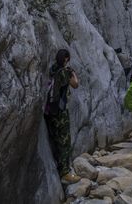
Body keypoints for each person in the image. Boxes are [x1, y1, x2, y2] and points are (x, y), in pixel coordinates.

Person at [44, 49, 80, 183]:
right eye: (67, 59)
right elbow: (75, 84)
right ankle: (64, 172)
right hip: (61, 111)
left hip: (50, 111)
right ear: (66, 59)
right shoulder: (66, 72)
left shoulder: (53, 69)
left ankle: (60, 167)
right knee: (64, 141)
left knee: (56, 138)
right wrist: (73, 73)